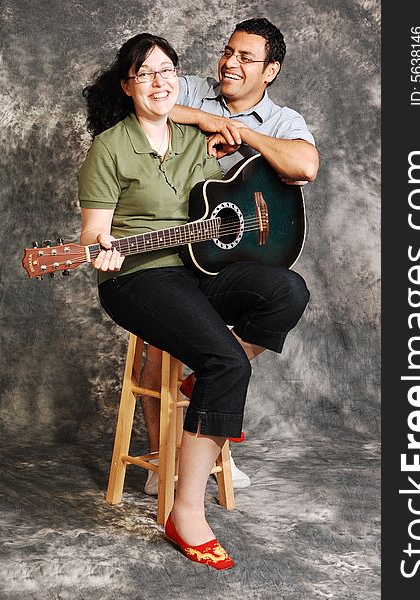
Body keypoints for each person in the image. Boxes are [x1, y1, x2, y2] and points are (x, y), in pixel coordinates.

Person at [79, 32, 312, 570]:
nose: (159, 82)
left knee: (287, 290)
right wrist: (101, 252)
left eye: (167, 71)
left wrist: (214, 131)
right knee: (225, 361)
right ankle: (185, 515)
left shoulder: (193, 140)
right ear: (127, 85)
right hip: (137, 277)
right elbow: (94, 234)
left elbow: (229, 201)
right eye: (146, 74)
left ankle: (209, 381)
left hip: (195, 269)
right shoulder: (109, 147)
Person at [140, 17, 318, 495]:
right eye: (228, 51)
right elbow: (142, 100)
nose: (230, 63)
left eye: (245, 58)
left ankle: (205, 420)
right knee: (165, 338)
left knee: (288, 293)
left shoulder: (284, 121)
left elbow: (305, 165)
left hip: (226, 265)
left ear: (271, 70)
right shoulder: (195, 90)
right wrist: (204, 118)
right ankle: (165, 462)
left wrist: (242, 133)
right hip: (169, 253)